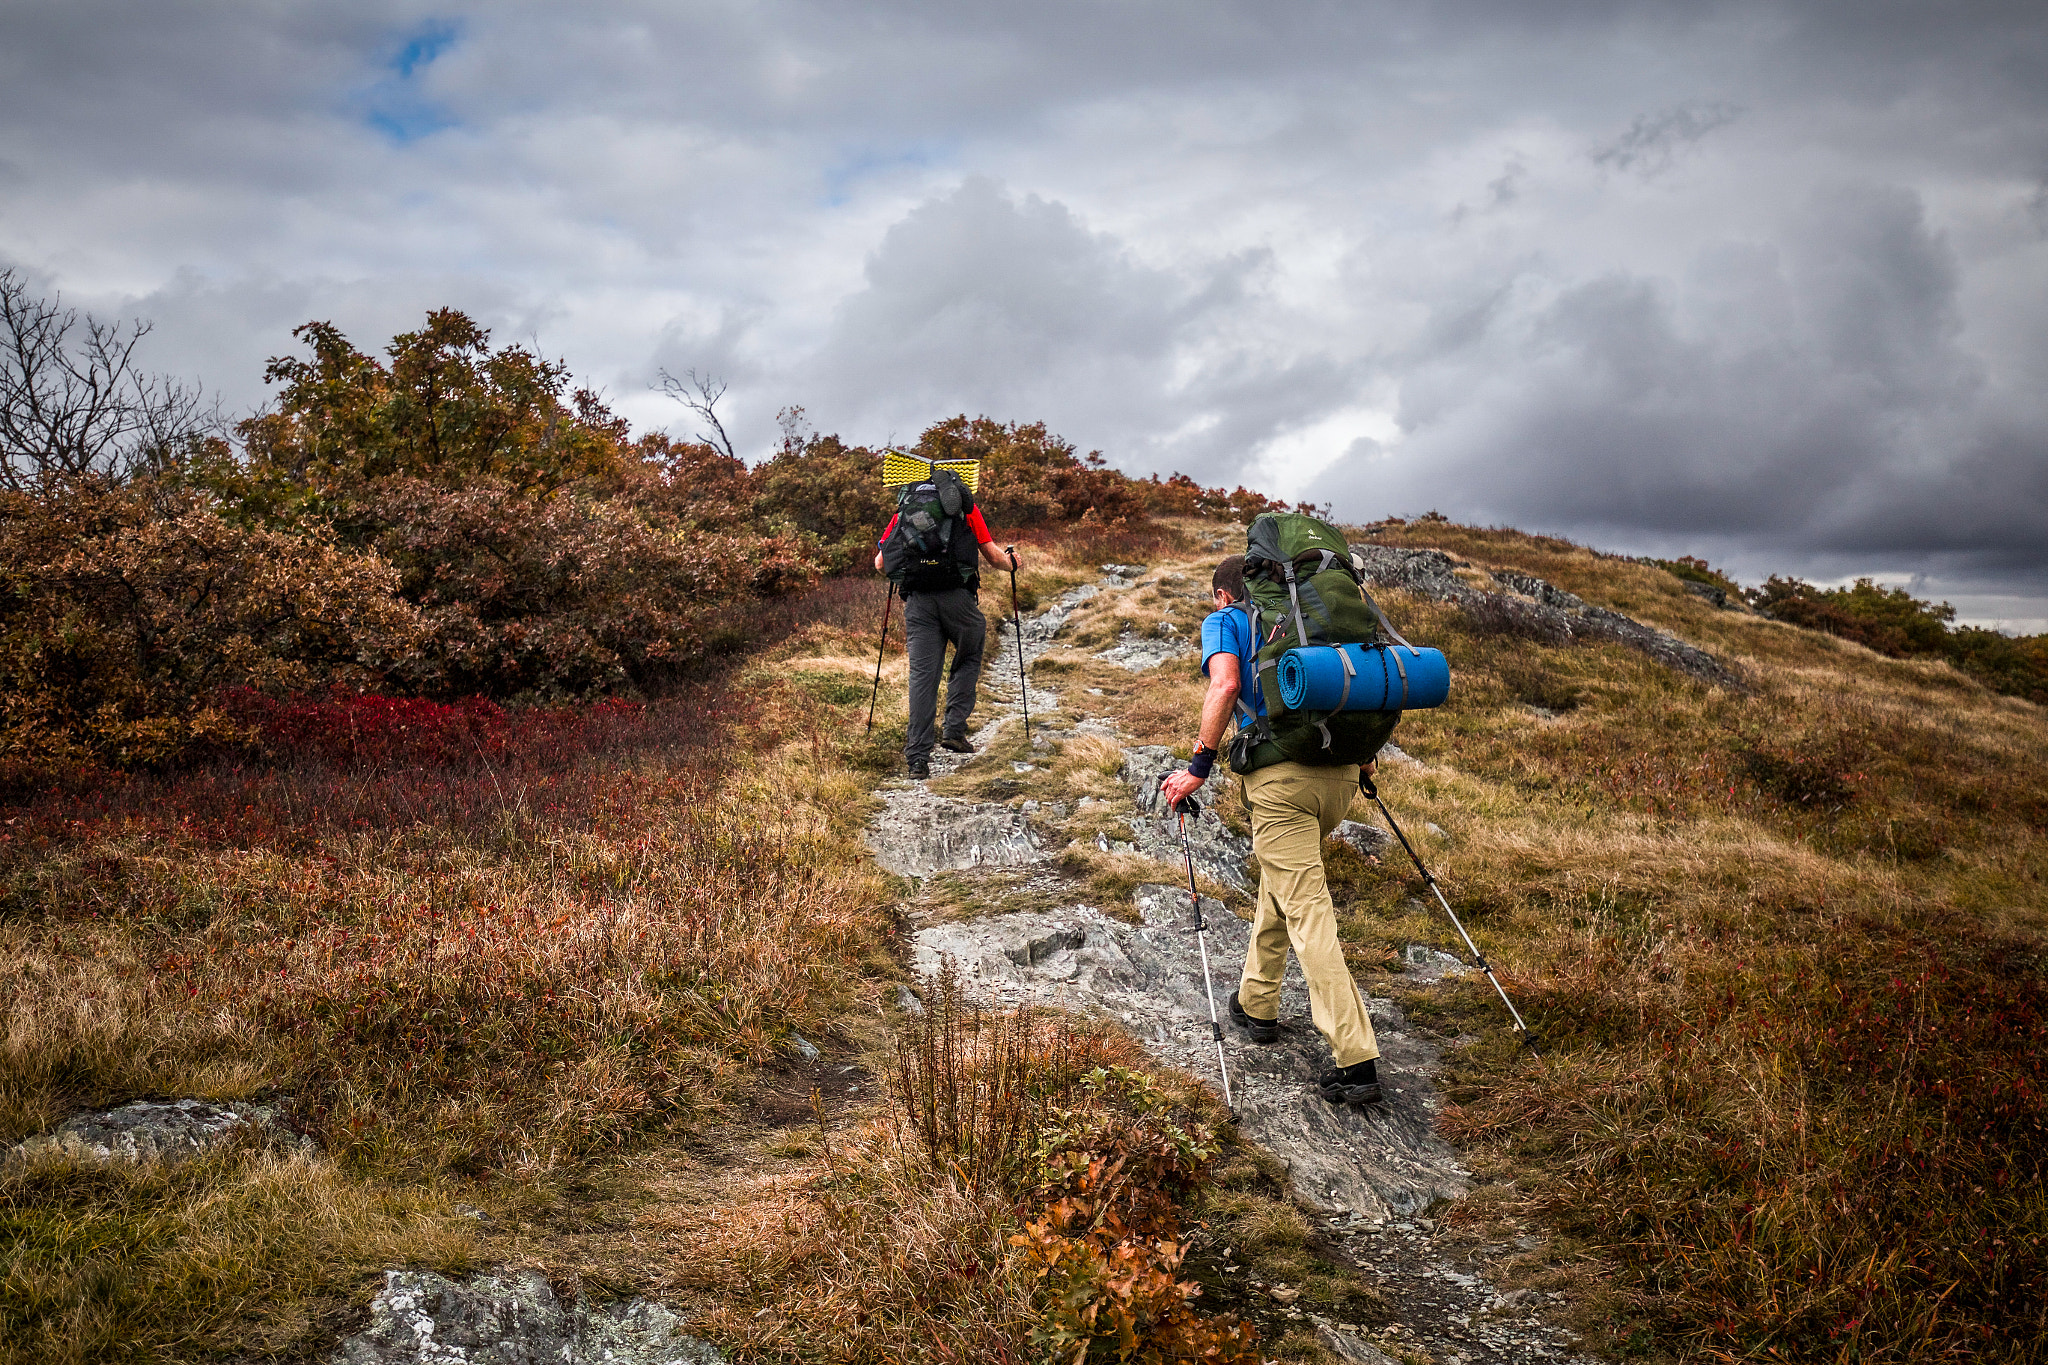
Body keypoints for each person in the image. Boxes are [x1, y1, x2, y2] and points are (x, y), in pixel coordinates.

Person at [1160, 554, 1384, 1105]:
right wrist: (1365, 764)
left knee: (1307, 906)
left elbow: (1226, 684)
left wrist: (1197, 768)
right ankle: (1256, 1003)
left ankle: (1355, 1059)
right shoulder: (1305, 621)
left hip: (1280, 783)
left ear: (1223, 594)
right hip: (1339, 781)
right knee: (1281, 882)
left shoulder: (1227, 620)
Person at [874, 484, 1020, 779]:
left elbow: (880, 564)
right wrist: (1012, 562)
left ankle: (917, 758)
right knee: (969, 653)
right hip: (958, 599)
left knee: (923, 677)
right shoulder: (966, 508)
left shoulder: (905, 509)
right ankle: (954, 730)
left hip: (918, 603)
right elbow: (993, 557)